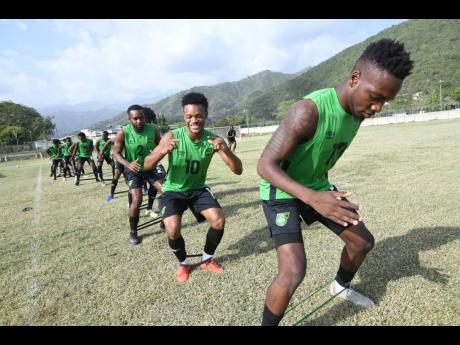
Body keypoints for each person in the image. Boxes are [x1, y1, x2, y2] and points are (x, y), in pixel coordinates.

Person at [257, 39, 414, 326]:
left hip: (316, 186)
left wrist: (317, 193)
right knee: (293, 271)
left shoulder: (359, 111)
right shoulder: (308, 111)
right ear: (355, 78)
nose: (378, 107)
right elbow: (265, 166)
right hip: (281, 189)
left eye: (385, 101)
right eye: (375, 96)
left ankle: (340, 286)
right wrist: (312, 198)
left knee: (362, 242)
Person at [144, 92, 243, 283]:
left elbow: (238, 170)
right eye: (189, 116)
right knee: (172, 229)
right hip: (173, 190)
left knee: (218, 221)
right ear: (184, 117)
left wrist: (223, 150)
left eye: (198, 115)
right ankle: (183, 264)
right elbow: (147, 165)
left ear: (206, 115)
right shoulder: (173, 136)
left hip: (198, 190)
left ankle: (206, 259)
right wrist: (162, 151)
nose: (194, 120)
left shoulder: (213, 139)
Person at [112, 105, 162, 245]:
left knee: (167, 191)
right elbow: (115, 153)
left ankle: (166, 219)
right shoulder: (124, 132)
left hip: (149, 167)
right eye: (135, 119)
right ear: (129, 119)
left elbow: (161, 146)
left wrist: (155, 156)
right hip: (132, 169)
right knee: (137, 199)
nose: (139, 121)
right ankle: (133, 232)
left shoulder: (153, 129)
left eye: (141, 118)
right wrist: (128, 164)